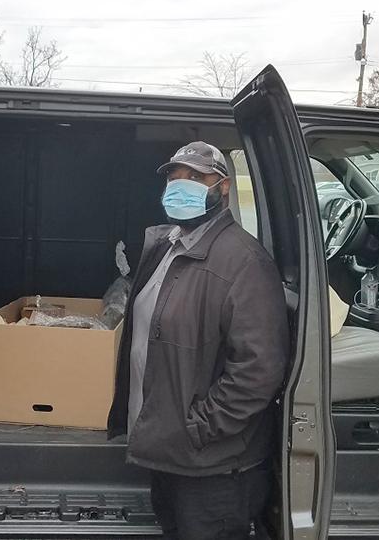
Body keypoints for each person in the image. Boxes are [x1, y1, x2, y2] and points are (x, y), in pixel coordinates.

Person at [108, 141, 291, 540]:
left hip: (212, 467)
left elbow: (259, 371)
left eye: (196, 177)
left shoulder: (245, 263)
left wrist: (197, 428)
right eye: (175, 175)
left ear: (223, 187)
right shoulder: (167, 246)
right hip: (171, 454)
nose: (181, 184)